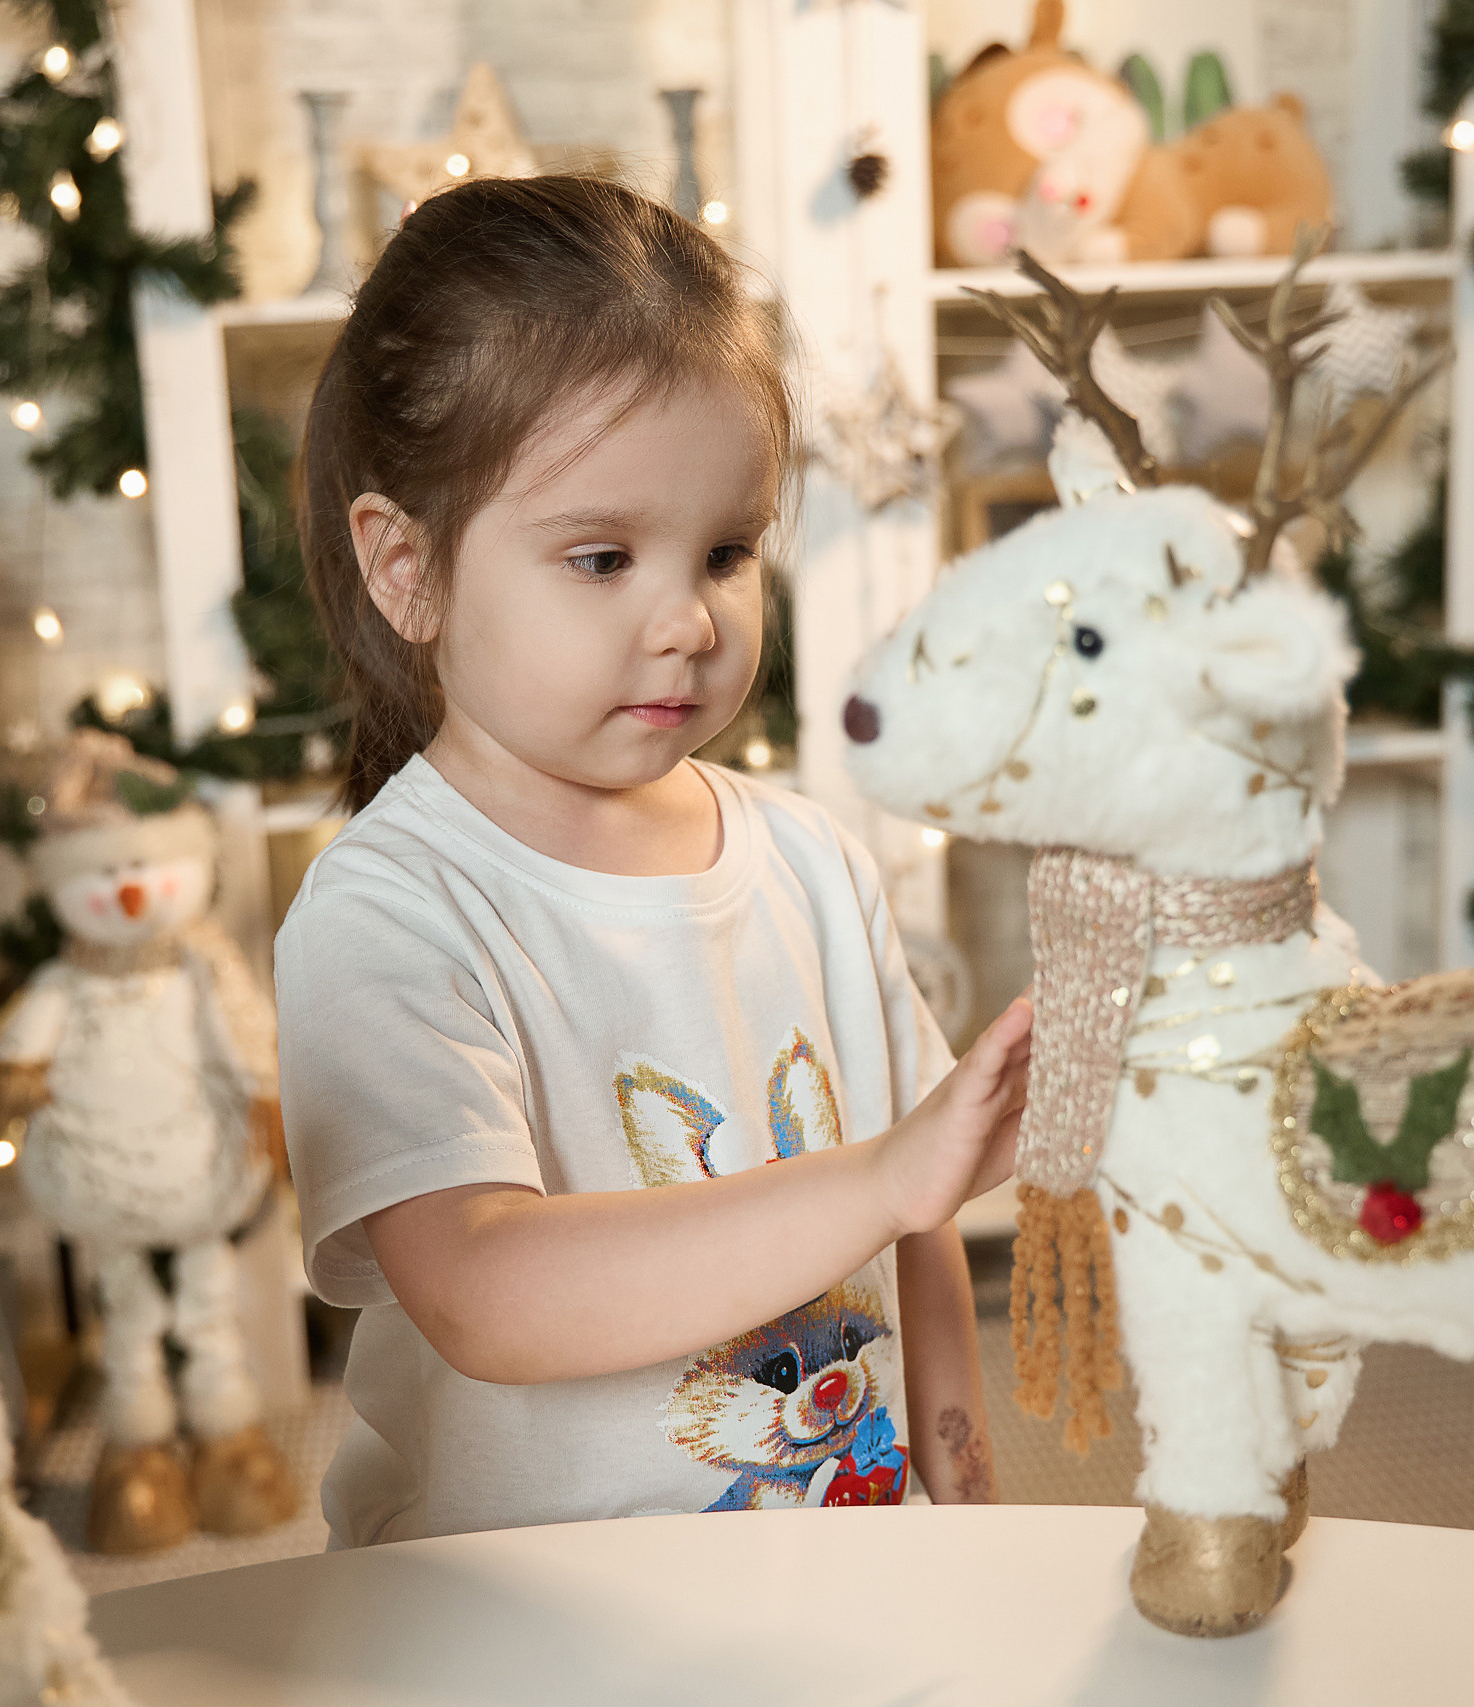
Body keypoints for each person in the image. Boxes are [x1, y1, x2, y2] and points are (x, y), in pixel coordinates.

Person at [276, 175, 1033, 1547]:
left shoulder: (810, 859)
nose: (688, 620)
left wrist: (956, 1463)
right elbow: (483, 1292)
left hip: (835, 1574)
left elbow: (919, 1207)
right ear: (407, 568)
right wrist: (875, 1180)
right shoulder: (389, 908)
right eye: (606, 555)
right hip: (524, 1631)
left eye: (729, 550)